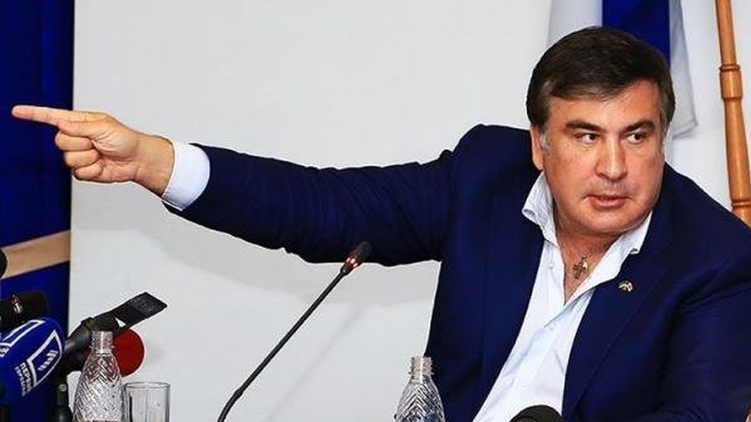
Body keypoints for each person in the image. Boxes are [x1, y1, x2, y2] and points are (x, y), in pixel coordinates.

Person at [12, 26, 751, 422]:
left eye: (636, 136)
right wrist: (155, 162)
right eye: (586, 136)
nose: (614, 167)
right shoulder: (486, 178)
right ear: (539, 144)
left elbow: (696, 415)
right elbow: (324, 208)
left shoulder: (715, 257)